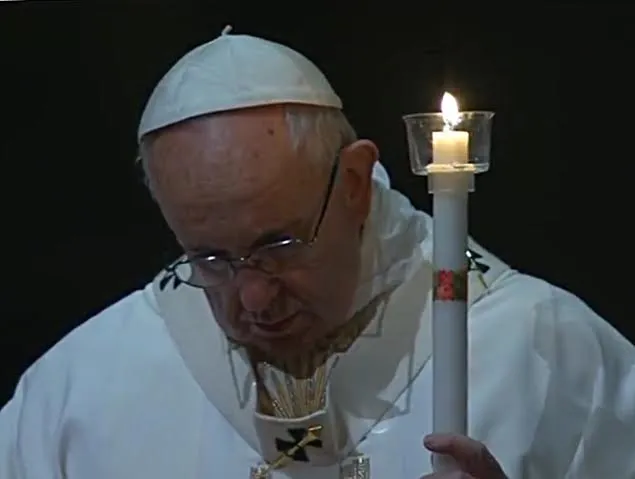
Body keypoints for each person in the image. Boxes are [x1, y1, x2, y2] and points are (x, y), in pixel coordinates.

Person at [1, 27, 634, 479]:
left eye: (278, 245)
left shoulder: (543, 351)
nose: (253, 298)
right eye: (210, 259)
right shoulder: (79, 391)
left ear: (354, 184)